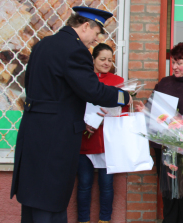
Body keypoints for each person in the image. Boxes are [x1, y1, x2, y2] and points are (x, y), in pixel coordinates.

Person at [10, 7, 132, 223]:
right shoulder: (74, 51)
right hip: (55, 138)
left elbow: (30, 85)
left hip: (33, 131)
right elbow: (92, 90)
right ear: (86, 26)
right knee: (51, 199)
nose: (96, 39)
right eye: (96, 33)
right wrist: (123, 97)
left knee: (32, 198)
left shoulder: (42, 45)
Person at [136, 42, 183, 223]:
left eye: (180, 63)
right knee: (168, 191)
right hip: (163, 145)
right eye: (173, 62)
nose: (175, 67)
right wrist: (143, 111)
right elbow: (152, 108)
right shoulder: (165, 82)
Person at [77, 43, 126, 223]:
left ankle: (104, 220)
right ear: (93, 59)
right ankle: (83, 220)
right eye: (102, 59)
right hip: (85, 140)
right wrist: (83, 123)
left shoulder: (118, 81)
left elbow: (125, 107)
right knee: (84, 185)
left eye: (110, 60)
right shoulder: (83, 79)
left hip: (108, 142)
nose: (106, 63)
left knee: (106, 186)